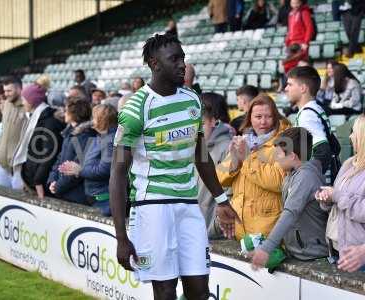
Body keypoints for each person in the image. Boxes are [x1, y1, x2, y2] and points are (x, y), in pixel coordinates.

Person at [109, 34, 237, 300]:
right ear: (155, 64)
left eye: (184, 58)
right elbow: (118, 173)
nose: (183, 65)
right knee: (165, 291)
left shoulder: (192, 99)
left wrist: (221, 200)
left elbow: (200, 154)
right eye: (175, 59)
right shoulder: (136, 108)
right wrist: (121, 236)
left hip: (189, 207)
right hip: (153, 208)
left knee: (199, 290)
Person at [250, 127, 328, 269]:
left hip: (313, 257)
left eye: (278, 154)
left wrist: (266, 248)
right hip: (299, 254)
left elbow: (290, 213)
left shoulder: (306, 176)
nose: (276, 159)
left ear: (292, 156)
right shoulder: (291, 174)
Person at [217, 94, 290, 240]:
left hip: (268, 228)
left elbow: (277, 182)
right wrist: (235, 159)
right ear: (249, 117)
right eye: (258, 117)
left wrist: (246, 158)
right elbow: (220, 178)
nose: (263, 122)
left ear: (275, 117)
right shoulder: (244, 140)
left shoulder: (284, 142)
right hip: (240, 227)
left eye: (268, 116)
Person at [316, 115, 365, 272]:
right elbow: (338, 202)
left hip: (358, 256)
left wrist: (336, 195)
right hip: (337, 249)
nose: (350, 136)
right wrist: (327, 198)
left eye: (354, 132)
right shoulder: (349, 163)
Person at [59, 104, 118, 216]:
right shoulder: (99, 137)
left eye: (94, 117)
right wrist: (72, 167)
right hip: (94, 197)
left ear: (102, 120)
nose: (92, 120)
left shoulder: (110, 140)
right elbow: (85, 160)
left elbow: (104, 170)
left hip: (104, 200)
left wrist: (80, 170)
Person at [13, 83, 64, 198]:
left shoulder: (49, 121)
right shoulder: (35, 117)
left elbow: (49, 154)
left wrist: (38, 180)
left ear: (32, 101)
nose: (22, 103)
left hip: (40, 184)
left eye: (24, 99)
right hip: (32, 179)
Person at [285, 66, 333, 175]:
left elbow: (322, 151)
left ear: (303, 88)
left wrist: (305, 177)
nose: (286, 88)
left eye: (290, 84)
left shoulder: (307, 115)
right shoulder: (314, 108)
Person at [47, 97, 95, 204]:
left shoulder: (85, 136)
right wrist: (52, 180)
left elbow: (77, 170)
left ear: (73, 114)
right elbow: (59, 160)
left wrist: (58, 186)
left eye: (66, 110)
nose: (64, 113)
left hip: (76, 196)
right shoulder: (70, 133)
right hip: (64, 192)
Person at [198, 93, 234, 238]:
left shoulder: (228, 148)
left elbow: (230, 193)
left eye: (201, 124)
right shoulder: (191, 148)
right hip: (194, 230)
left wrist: (213, 228)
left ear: (213, 121)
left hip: (211, 233)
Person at [0, 77, 26, 189]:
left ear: (19, 89)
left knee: (19, 201)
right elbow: (2, 129)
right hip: (2, 163)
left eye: (9, 91)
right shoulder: (6, 104)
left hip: (19, 166)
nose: (6, 94)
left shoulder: (28, 106)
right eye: (5, 90)